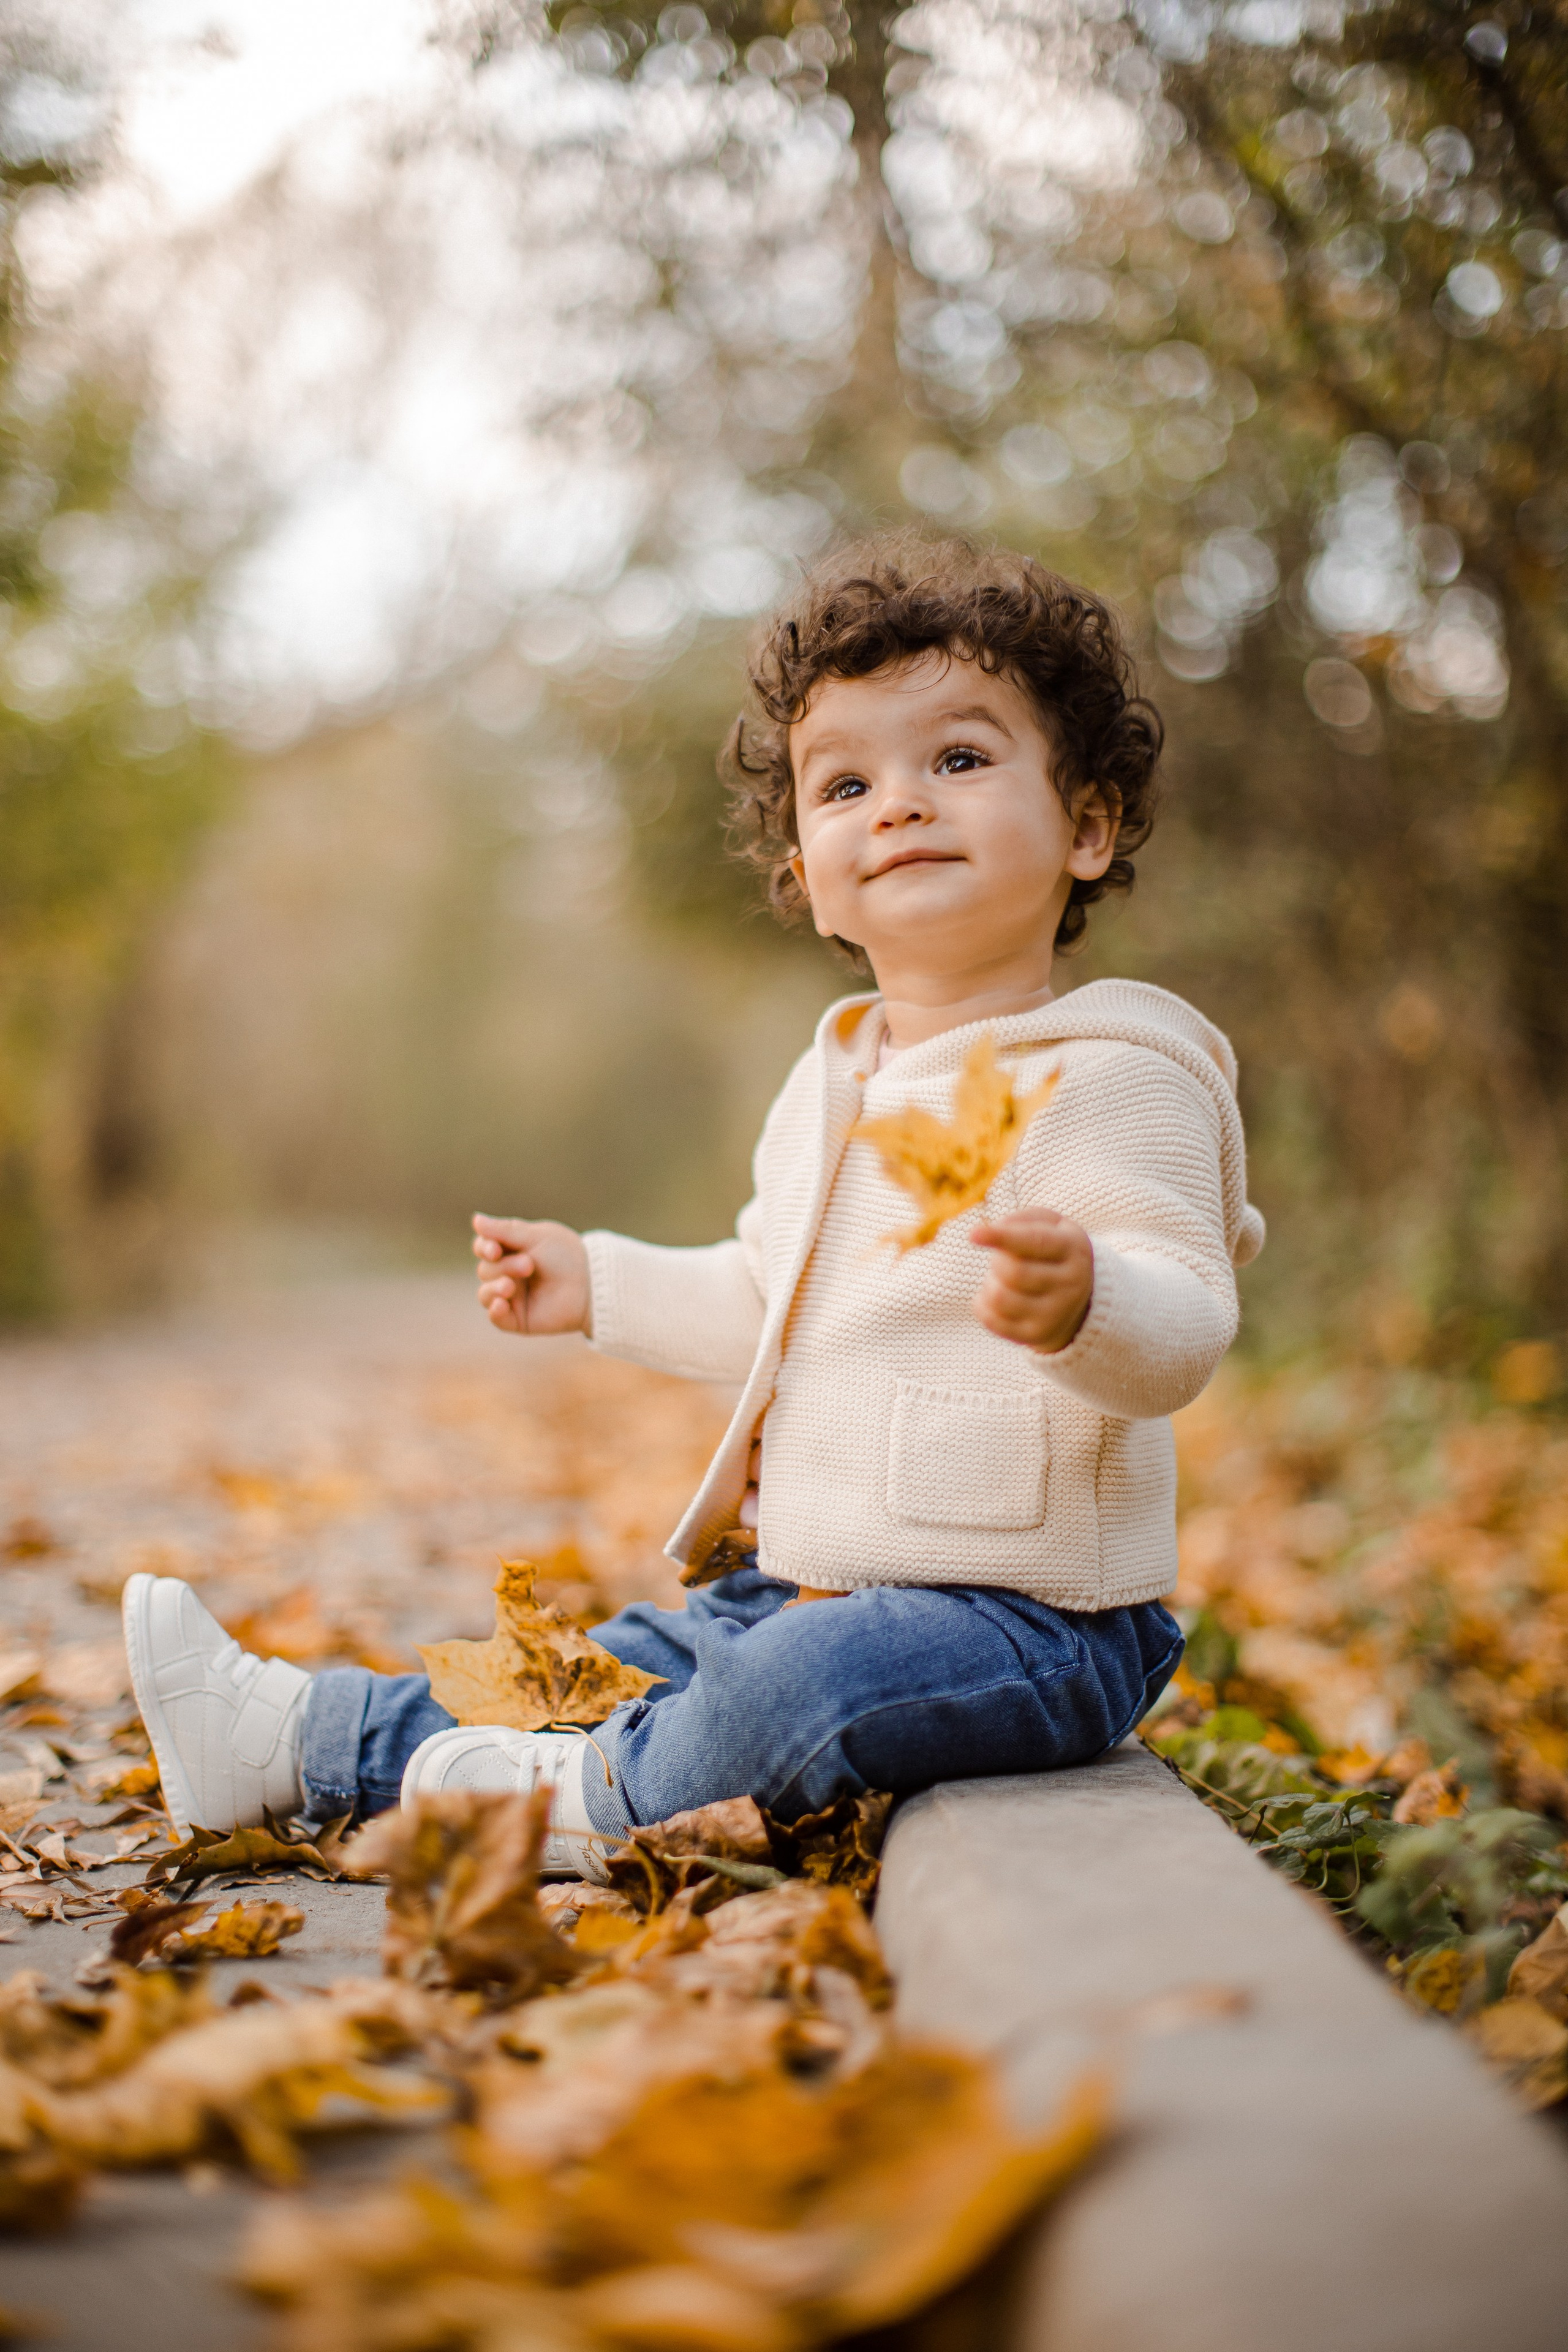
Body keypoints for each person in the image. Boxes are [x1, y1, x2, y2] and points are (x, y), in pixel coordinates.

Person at [122, 533, 1263, 1880]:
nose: (899, 804)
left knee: (791, 1689)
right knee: (616, 1660)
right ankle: (297, 1738)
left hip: (1032, 1621)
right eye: (847, 784)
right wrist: (596, 1282)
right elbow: (764, 1299)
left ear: (1086, 825)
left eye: (958, 759)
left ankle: (577, 1799)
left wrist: (1090, 1302)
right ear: (806, 874)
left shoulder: (1113, 1073)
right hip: (807, 1576)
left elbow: (1186, 1319)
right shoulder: (833, 1083)